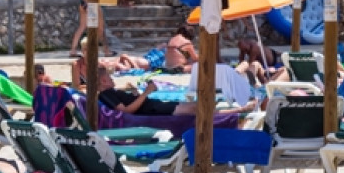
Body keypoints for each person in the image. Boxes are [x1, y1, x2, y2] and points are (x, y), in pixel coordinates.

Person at [99, 75, 251, 116]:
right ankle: (238, 110)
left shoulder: (110, 92)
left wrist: (135, 93)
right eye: (110, 78)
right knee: (197, 110)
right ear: (104, 81)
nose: (113, 80)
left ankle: (232, 109)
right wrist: (146, 92)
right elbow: (126, 111)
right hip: (152, 110)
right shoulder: (106, 93)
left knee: (198, 108)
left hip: (153, 106)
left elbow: (128, 104)